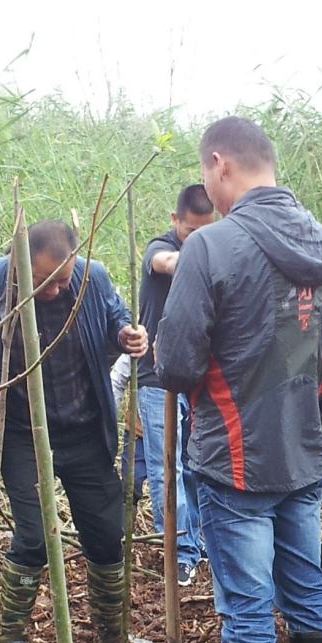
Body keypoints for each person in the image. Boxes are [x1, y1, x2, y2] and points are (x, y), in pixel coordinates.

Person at [155, 117, 322, 643]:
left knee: (248, 604)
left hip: (234, 457)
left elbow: (175, 363)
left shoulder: (212, 247)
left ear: (222, 165)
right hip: (304, 448)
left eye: (207, 173)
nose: (208, 184)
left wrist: (228, 372)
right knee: (306, 588)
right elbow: (320, 350)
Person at [0, 219, 153, 643]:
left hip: (84, 428)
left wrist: (127, 337)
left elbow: (116, 320)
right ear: (18, 265)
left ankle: (113, 634)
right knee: (33, 537)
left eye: (63, 280)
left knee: (108, 533)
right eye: (43, 282)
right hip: (18, 434)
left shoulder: (94, 279)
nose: (53, 291)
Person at [136, 184, 216, 587]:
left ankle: (200, 546)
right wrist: (202, 256)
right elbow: (165, 262)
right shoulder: (160, 246)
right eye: (190, 232)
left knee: (198, 465)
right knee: (167, 468)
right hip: (156, 380)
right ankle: (181, 553)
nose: (197, 238)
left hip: (198, 377)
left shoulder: (214, 246)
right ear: (174, 222)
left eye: (207, 231)